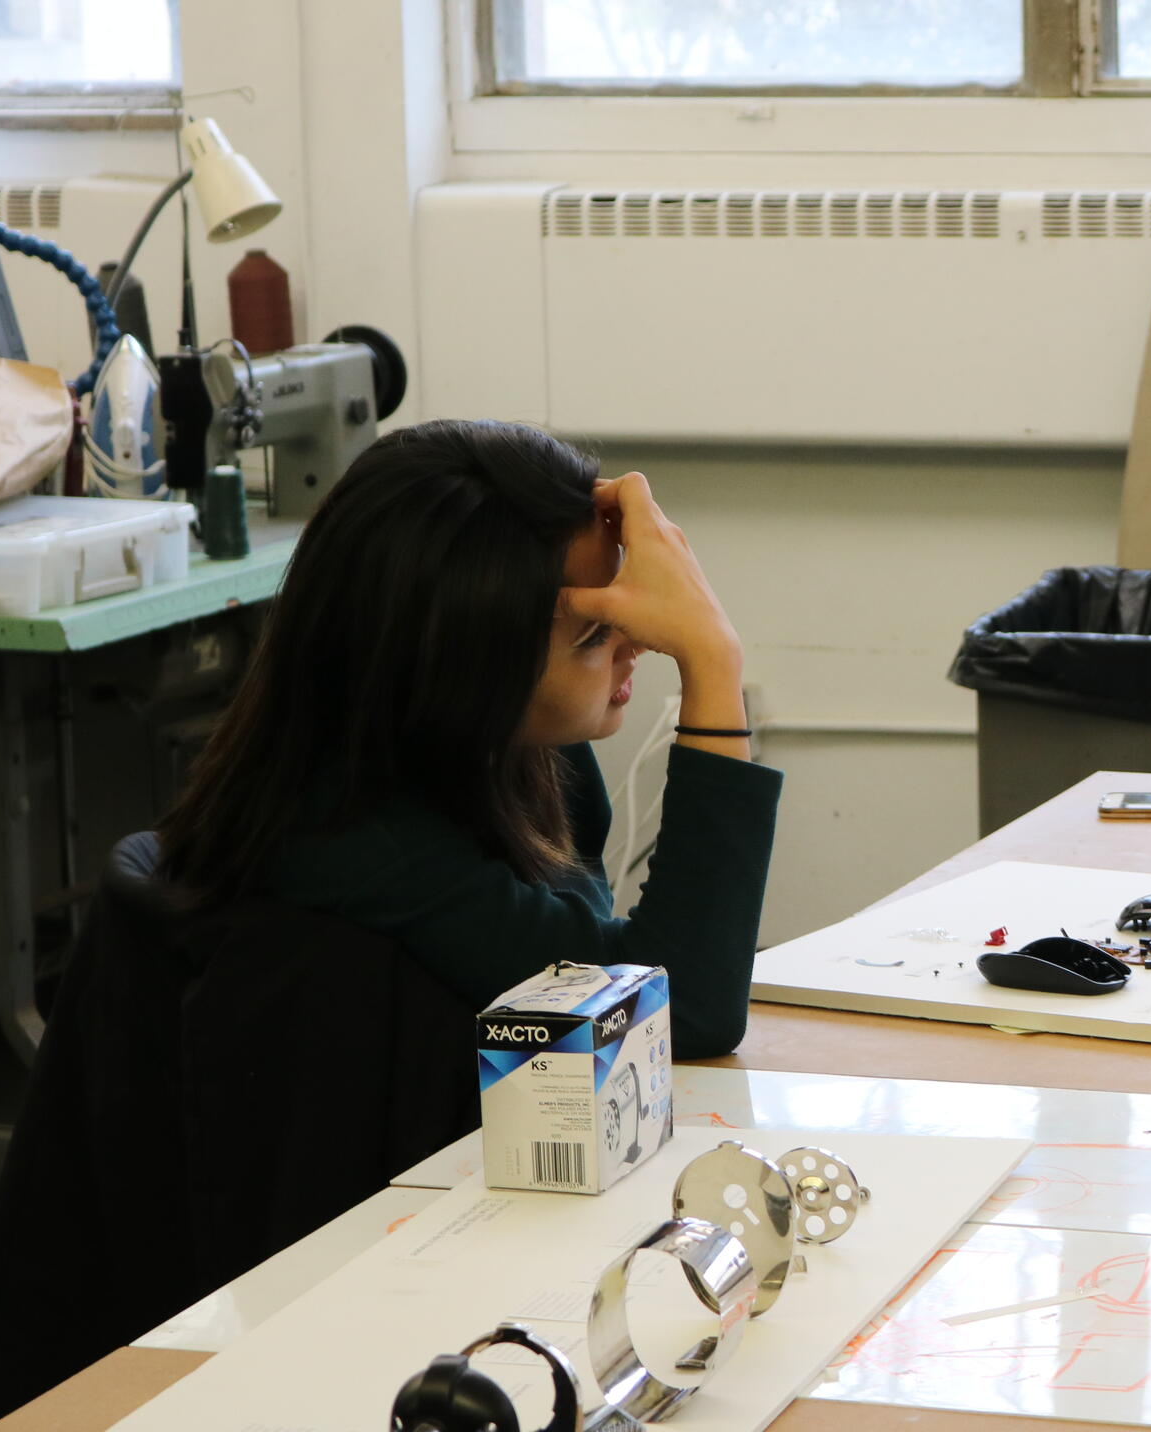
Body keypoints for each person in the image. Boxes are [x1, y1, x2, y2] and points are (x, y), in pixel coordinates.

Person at [158, 419, 780, 1056]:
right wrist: (711, 659)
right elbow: (683, 1014)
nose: (642, 640)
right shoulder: (366, 847)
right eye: (596, 633)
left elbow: (634, 972)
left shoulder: (515, 747)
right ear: (466, 671)